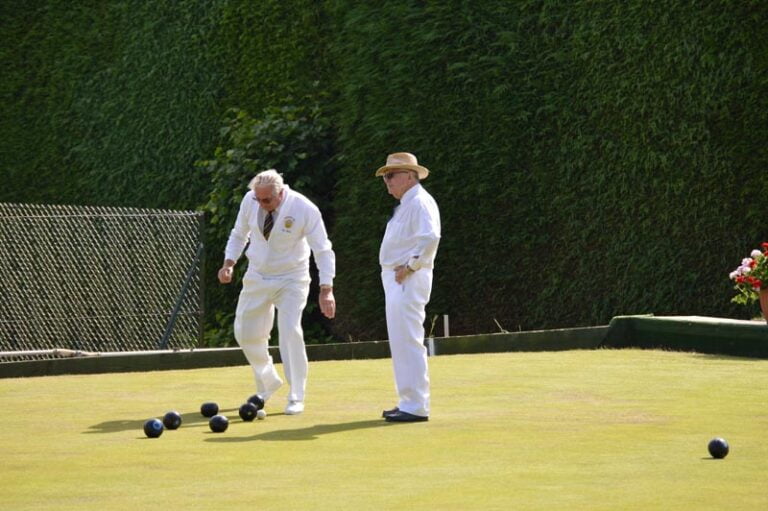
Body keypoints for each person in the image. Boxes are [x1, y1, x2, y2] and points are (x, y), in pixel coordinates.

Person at [218, 169, 336, 415]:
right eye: (258, 199)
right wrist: (229, 263)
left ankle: (296, 396)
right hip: (257, 276)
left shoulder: (305, 208)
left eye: (267, 200)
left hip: (292, 278)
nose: (261, 204)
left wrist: (326, 288)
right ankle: (269, 380)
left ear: (281, 193)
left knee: (290, 330)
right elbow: (239, 234)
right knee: (245, 333)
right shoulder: (250, 200)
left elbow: (323, 250)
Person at [375, 152, 441, 422]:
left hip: (408, 278)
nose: (387, 182)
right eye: (385, 177)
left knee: (409, 340)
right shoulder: (406, 204)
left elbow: (430, 237)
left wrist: (411, 266)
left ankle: (416, 405)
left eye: (391, 175)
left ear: (410, 176)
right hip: (397, 278)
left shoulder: (420, 202)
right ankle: (408, 401)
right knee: (401, 341)